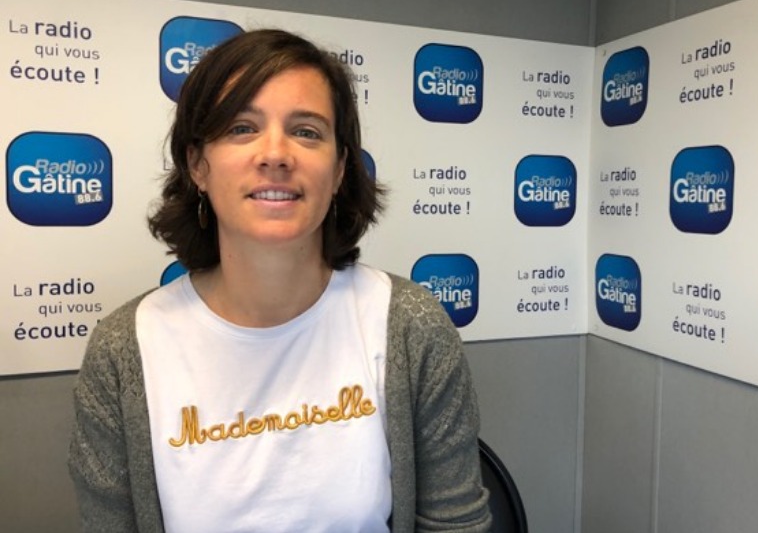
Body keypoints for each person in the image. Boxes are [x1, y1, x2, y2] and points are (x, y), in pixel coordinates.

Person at [68, 29, 491, 532]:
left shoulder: (410, 327)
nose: (275, 154)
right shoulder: (125, 351)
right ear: (198, 164)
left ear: (339, 169)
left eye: (307, 132)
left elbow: (455, 524)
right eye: (242, 128)